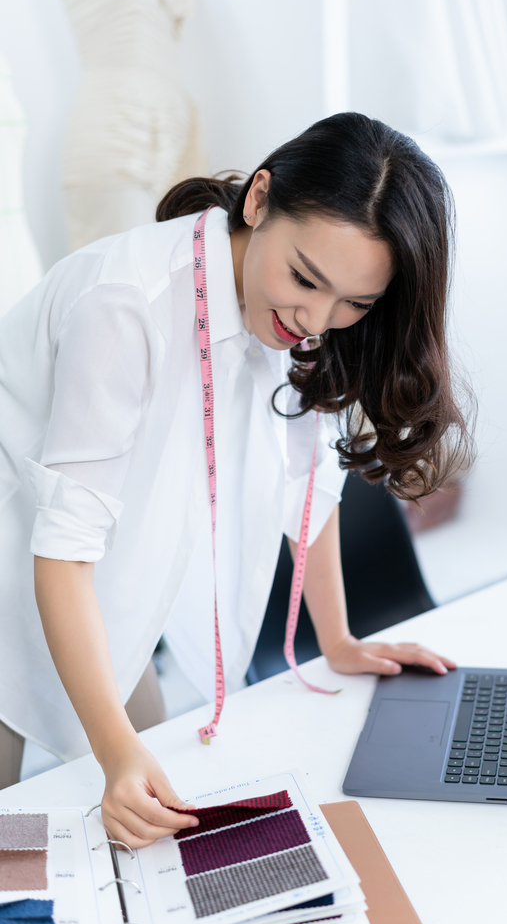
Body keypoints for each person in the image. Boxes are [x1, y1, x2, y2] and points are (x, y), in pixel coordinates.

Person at [0, 112, 471, 845]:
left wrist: (339, 638)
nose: (315, 318)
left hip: (95, 586)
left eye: (355, 304)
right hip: (30, 562)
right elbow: (62, 548)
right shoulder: (127, 305)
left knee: (159, 825)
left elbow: (304, 477)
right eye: (305, 279)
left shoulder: (289, 312)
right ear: (257, 200)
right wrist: (117, 750)